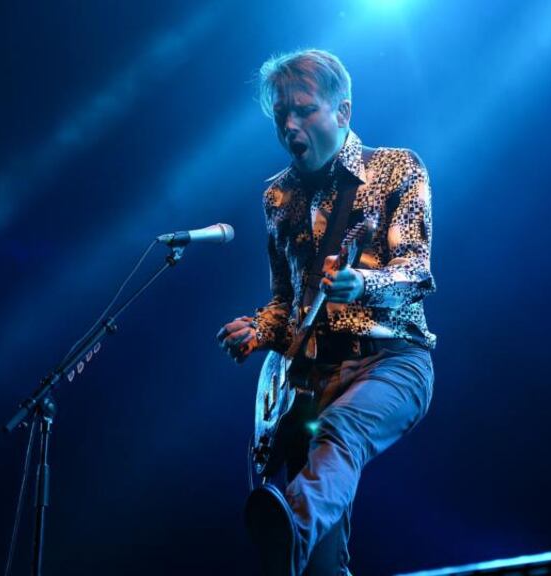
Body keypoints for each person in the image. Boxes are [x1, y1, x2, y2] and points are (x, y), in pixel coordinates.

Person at [216, 49, 436, 576]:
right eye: (280, 116)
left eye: (304, 110)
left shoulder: (396, 169)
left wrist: (362, 282)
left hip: (391, 362)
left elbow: (416, 272)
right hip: (309, 381)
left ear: (343, 112)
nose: (290, 125)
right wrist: (259, 330)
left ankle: (286, 535)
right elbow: (285, 300)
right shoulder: (277, 197)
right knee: (319, 557)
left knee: (339, 435)